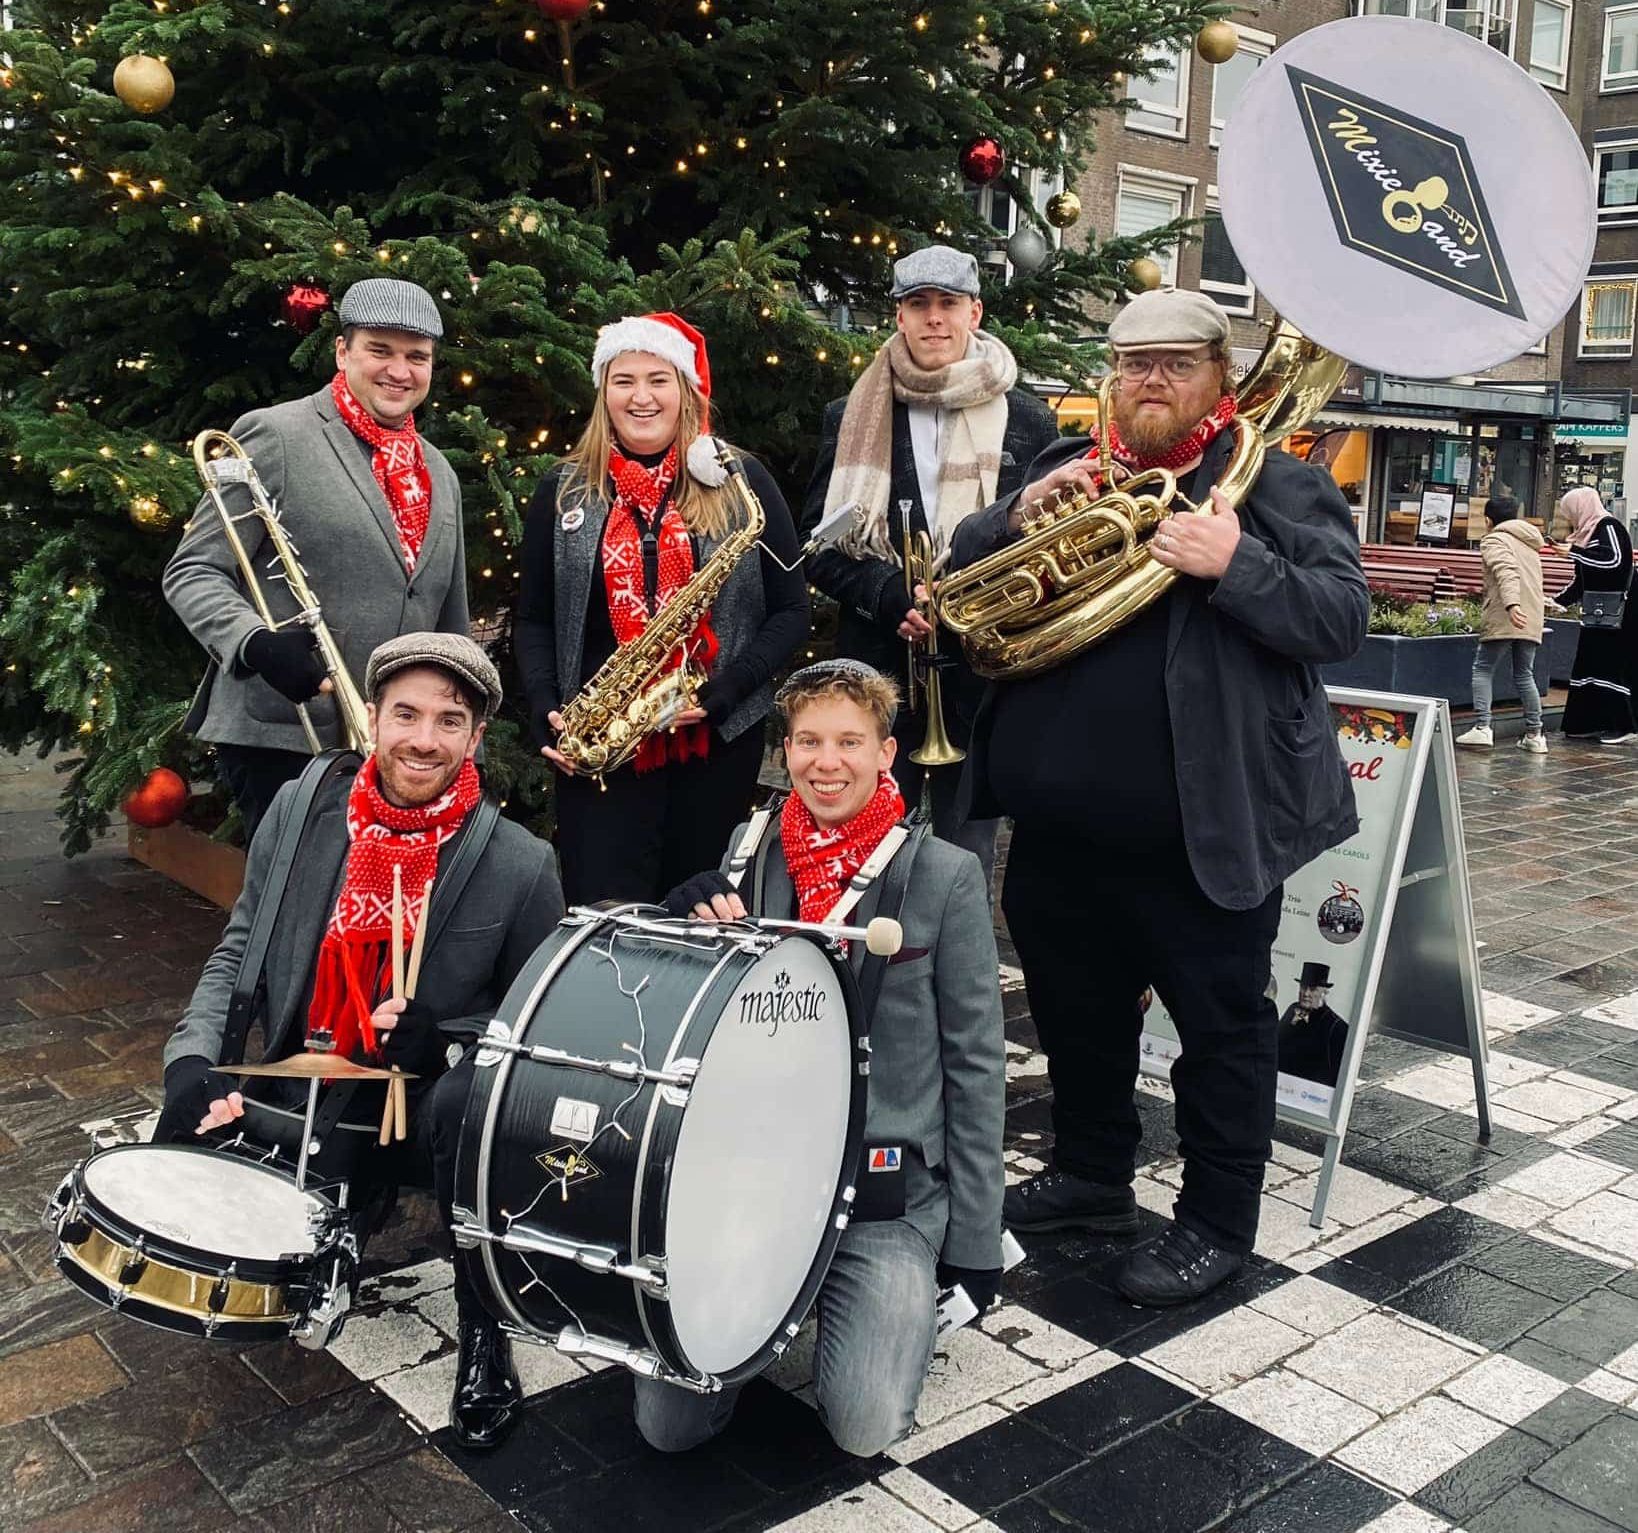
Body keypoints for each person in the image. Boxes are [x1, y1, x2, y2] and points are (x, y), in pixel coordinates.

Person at [950, 288, 1368, 1307]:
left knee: (1221, 1031)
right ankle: (1093, 1175)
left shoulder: (1276, 482)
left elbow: (1340, 617)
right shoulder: (1071, 467)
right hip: (1058, 830)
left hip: (1203, 828)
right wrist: (1014, 516)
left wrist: (1237, 563)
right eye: (1134, 363)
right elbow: (966, 570)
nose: (1151, 380)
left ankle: (1217, 1223)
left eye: (1177, 364)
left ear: (1218, 377)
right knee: (1075, 1016)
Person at [155, 633, 563, 1452]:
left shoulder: (520, 864)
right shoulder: (303, 812)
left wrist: (447, 1042)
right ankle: (345, 1187)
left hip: (421, 1113)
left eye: (449, 720)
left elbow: (535, 1033)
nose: (424, 739)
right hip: (303, 1082)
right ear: (373, 718)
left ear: (477, 736)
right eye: (406, 714)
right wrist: (190, 1057)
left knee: (469, 1098)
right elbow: (239, 950)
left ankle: (485, 1328)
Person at [632, 659, 1004, 1457]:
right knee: (667, 1428)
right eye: (807, 741)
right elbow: (701, 1005)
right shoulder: (750, 848)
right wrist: (682, 921)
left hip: (882, 1193)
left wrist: (976, 1241)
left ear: (886, 752)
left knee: (864, 1428)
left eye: (848, 741)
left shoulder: (945, 874)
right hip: (755, 1182)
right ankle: (778, 1305)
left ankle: (860, 1302)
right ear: (786, 749)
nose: (825, 761)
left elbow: (977, 1068)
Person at [513, 312, 809, 906]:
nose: (641, 397)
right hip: (601, 752)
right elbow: (533, 618)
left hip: (715, 746)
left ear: (686, 390)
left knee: (703, 917)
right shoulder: (564, 489)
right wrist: (547, 707)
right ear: (604, 392)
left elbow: (791, 612)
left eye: (658, 380)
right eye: (624, 380)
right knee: (605, 917)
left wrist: (726, 692)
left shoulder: (740, 481)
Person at [165, 279, 471, 838]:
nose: (399, 371)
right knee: (293, 891)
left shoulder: (439, 472)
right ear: (342, 351)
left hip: (400, 745)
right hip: (287, 733)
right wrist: (254, 643)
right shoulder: (276, 434)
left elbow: (450, 620)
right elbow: (193, 570)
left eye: (417, 357)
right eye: (380, 350)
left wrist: (462, 726)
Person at [800, 247, 1058, 889]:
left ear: (975, 312)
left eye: (948, 304)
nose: (934, 318)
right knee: (863, 853)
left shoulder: (1027, 417)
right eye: (919, 304)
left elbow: (1046, 542)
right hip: (879, 673)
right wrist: (892, 595)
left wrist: (975, 599)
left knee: (964, 863)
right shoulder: (852, 413)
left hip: (979, 675)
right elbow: (820, 546)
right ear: (899, 316)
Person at [1455, 496, 1548, 754]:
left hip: (1506, 612)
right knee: (1524, 674)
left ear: (1488, 520)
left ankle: (1483, 727)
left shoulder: (1494, 539)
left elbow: (1505, 571)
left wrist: (1511, 605)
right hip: (1531, 616)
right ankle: (1535, 734)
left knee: (1483, 668)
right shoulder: (1529, 542)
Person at [1553, 486, 1637, 745]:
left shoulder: (1608, 527)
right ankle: (1587, 723)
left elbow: (1615, 561)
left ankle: (1622, 726)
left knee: (1612, 665)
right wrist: (1557, 601)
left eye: (1570, 511)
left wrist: (1574, 552)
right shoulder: (1586, 534)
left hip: (1621, 612)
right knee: (1590, 663)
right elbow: (1583, 580)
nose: (1569, 517)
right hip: (1598, 612)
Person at [1276, 962, 1351, 1089]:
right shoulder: (1292, 1010)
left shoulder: (1336, 1027)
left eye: (1313, 989)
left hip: (1309, 1092)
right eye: (1303, 987)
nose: (1306, 993)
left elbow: (1338, 1076)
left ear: (1324, 992)